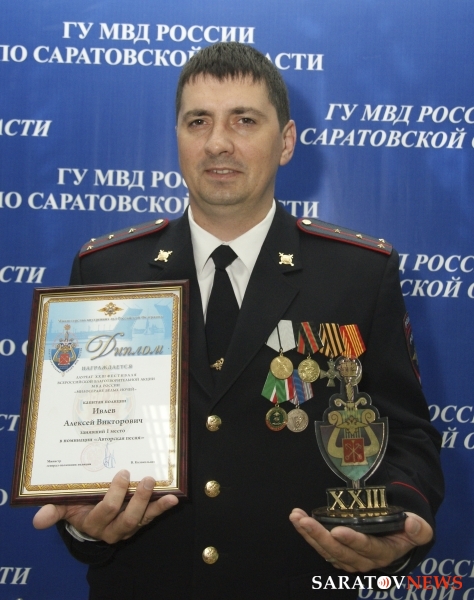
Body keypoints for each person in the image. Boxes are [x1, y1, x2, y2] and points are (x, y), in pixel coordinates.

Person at [33, 42, 443, 599]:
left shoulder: (358, 273)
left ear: (286, 142)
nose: (217, 143)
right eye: (197, 121)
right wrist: (85, 527)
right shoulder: (107, 269)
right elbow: (78, 442)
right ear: (178, 138)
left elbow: (407, 434)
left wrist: (394, 528)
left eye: (244, 120)